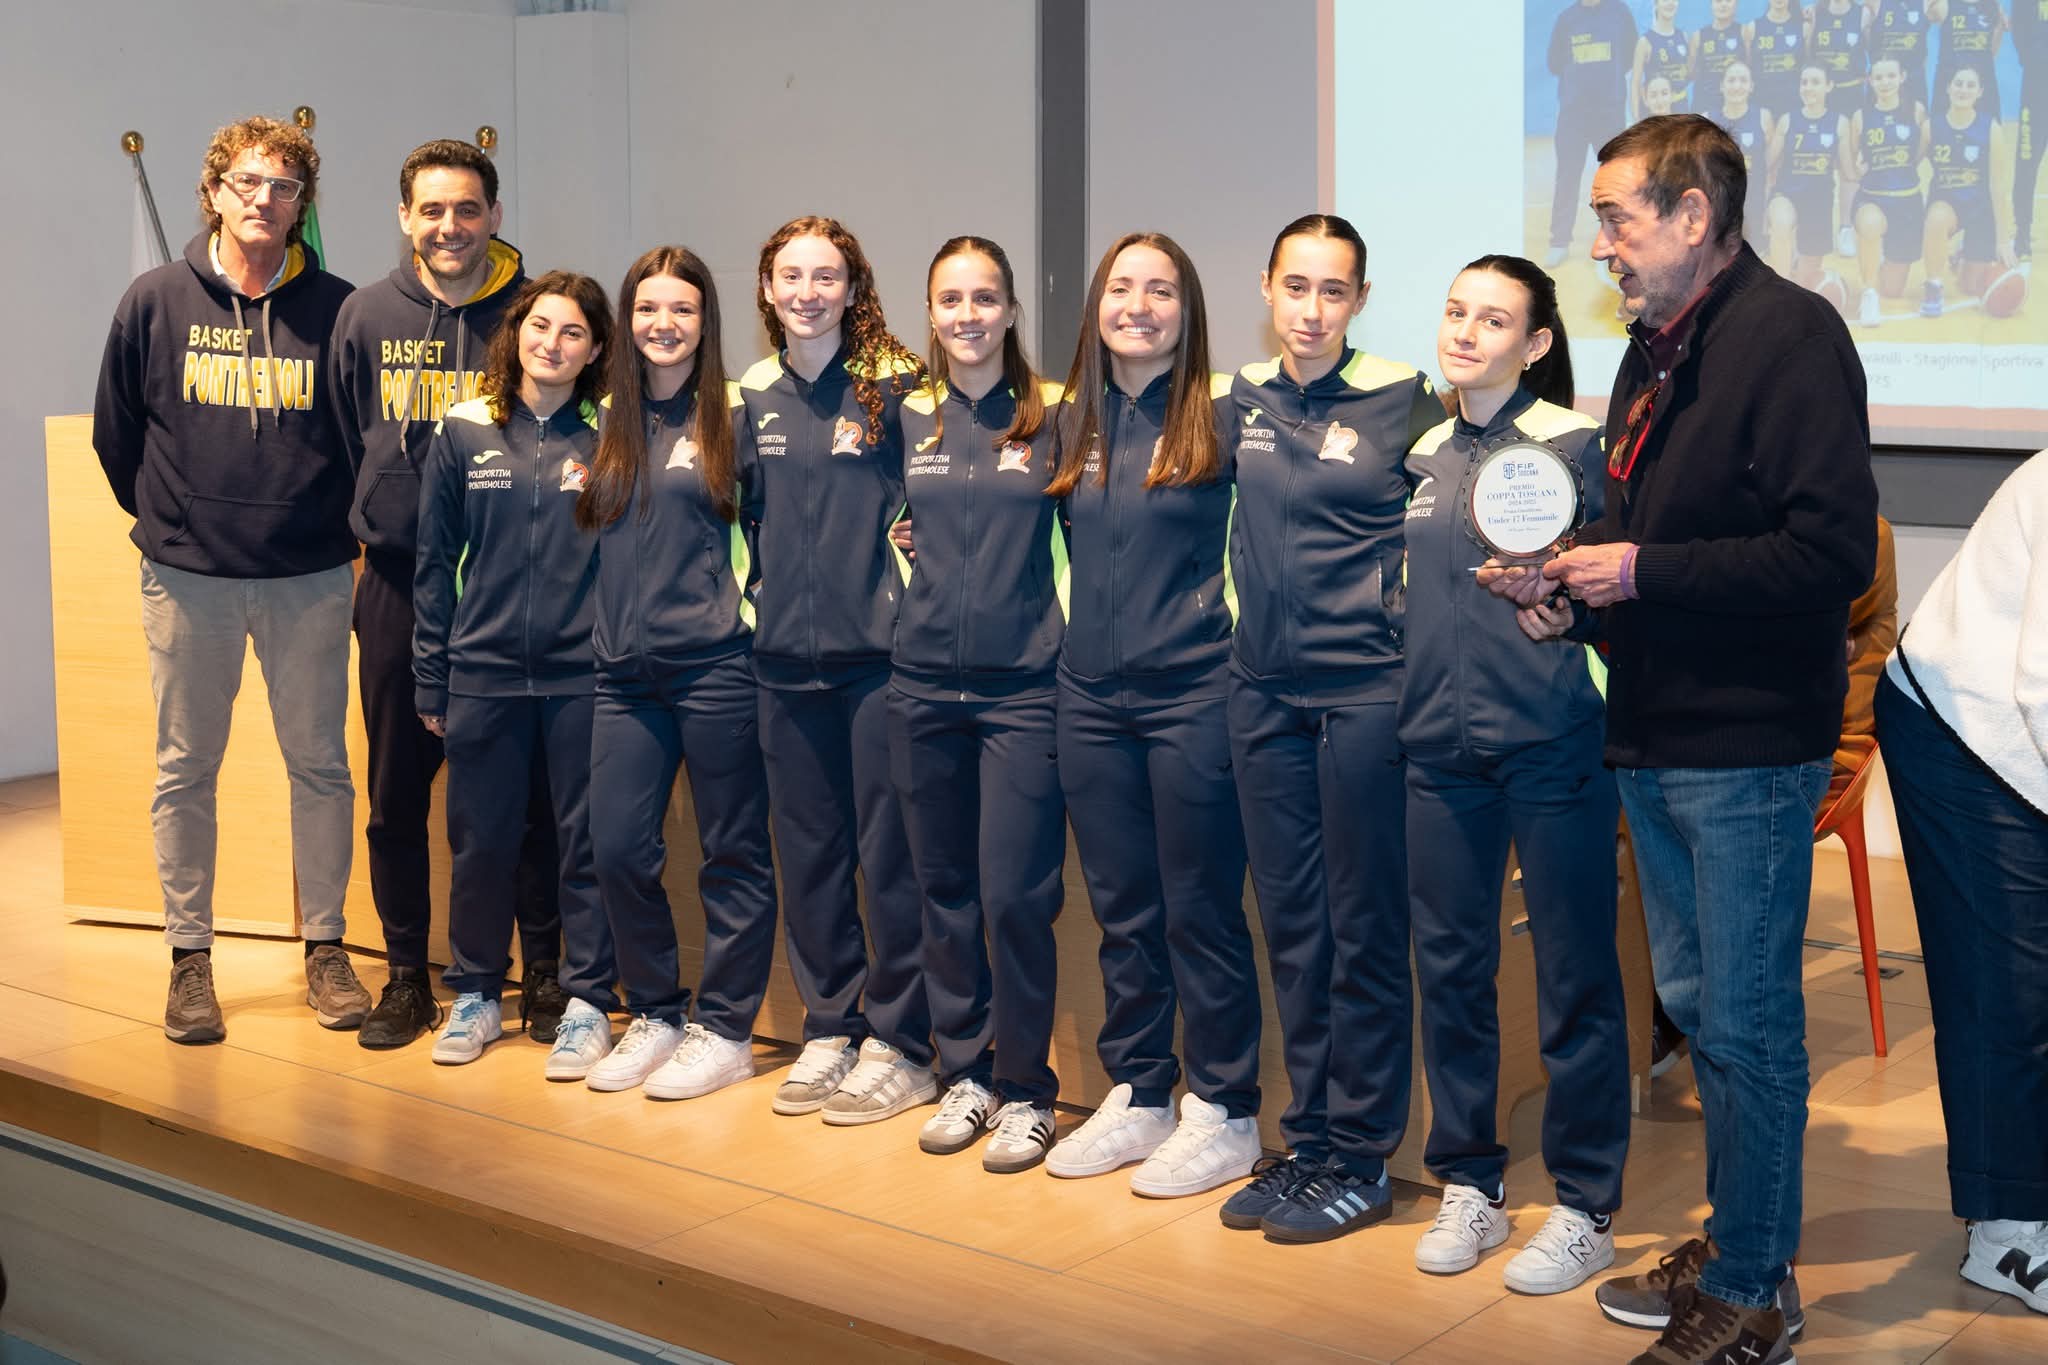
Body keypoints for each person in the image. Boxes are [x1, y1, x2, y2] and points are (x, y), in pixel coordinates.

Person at [1488, 114, 1877, 1363]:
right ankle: (1738, 1234)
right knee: (1705, 1007)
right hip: (1654, 730)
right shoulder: (1650, 351)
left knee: (1749, 1022)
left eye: (1615, 216)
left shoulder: (1790, 336)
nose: (1595, 241)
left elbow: (1823, 555)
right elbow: (1640, 548)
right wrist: (1562, 602)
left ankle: (1756, 1290)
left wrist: (1639, 572)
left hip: (1748, 743)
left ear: (1693, 218)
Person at [92, 114, 365, 1045]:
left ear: (302, 206)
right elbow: (115, 433)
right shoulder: (154, 300)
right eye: (247, 182)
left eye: (284, 188)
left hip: (311, 577)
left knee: (321, 768)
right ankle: (189, 958)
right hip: (190, 580)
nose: (265, 200)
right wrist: (170, 523)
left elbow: (364, 441)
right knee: (185, 771)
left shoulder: (341, 309)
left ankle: (326, 948)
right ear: (213, 191)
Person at [1405, 255, 1630, 1294]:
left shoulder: (1573, 449)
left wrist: (1561, 600)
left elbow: (1603, 592)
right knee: (1450, 971)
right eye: (1455, 312)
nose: (1465, 331)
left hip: (1550, 745)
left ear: (1535, 344)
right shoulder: (1420, 450)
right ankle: (1469, 1182)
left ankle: (1585, 1205)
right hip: (1436, 753)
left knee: (1573, 975)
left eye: (1492, 319)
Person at [1214, 215, 1438, 1241]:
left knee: (1361, 927)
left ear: (1357, 299)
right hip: (1260, 694)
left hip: (1363, 697)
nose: (1311, 310)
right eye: (1294, 288)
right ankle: (1305, 1141)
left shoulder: (1402, 399)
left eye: (1333, 291)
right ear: (1266, 288)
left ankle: (1363, 1154)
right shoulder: (1236, 399)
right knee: (1292, 925)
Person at [1039, 232, 1264, 1199]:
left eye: (1161, 289)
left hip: (1194, 695)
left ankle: (1226, 1108)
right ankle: (1141, 1090)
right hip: (1088, 698)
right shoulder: (1066, 422)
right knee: (1124, 907)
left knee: (1200, 907)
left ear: (1190, 308)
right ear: (1096, 304)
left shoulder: (1223, 415)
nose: (1139, 304)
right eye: (1122, 287)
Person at [329, 138, 566, 1052]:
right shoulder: (364, 315)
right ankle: (403, 977)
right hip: (397, 586)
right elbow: (351, 433)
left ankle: (539, 971)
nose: (450, 227)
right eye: (431, 210)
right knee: (397, 795)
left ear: (495, 215)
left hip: (516, 592)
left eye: (467, 209)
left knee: (529, 797)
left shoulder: (534, 313)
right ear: (404, 218)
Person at [737, 217, 933, 1124]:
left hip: (880, 666)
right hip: (780, 665)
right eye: (791, 275)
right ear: (768, 290)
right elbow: (736, 522)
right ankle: (830, 1024)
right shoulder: (747, 396)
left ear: (854, 289)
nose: (808, 290)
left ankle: (900, 1041)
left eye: (827, 276)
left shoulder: (899, 393)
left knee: (889, 860)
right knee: (809, 857)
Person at [574, 247, 780, 1101]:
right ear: (628, 320)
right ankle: (654, 1010)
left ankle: (727, 1026)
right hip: (622, 676)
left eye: (683, 310)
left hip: (718, 669)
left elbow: (779, 535)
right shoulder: (603, 417)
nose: (665, 324)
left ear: (706, 321)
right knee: (618, 847)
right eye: (648, 308)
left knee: (733, 852)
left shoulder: (735, 416)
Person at [888, 237, 1068, 1174]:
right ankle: (964, 1071)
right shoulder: (904, 413)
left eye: (985, 298)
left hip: (1023, 693)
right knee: (943, 890)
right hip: (918, 688)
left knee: (1014, 896)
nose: (968, 314)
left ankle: (1029, 1089)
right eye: (950, 298)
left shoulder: (1055, 417)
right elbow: (876, 517)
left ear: (1009, 312)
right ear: (931, 309)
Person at [413, 271, 621, 1079]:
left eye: (572, 333)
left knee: (586, 843)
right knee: (481, 841)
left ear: (596, 349)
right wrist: (433, 677)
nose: (553, 344)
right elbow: (434, 564)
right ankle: (473, 992)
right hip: (484, 673)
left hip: (583, 677)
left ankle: (587, 1000)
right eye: (540, 327)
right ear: (517, 333)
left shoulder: (611, 434)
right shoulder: (465, 428)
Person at [1874, 450, 2048, 1318]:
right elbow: (2042, 685)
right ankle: (2006, 1230)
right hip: (1966, 727)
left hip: (2023, 728)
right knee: (2006, 985)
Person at [1546, 0, 1640, 266]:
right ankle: (1559, 242)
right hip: (1573, 114)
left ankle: (1622, 237)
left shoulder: (1620, 13)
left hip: (1608, 113)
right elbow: (1554, 63)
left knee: (1615, 178)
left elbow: (1629, 56)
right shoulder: (1566, 19)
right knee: (1567, 177)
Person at [1920, 64, 2019, 315]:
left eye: (1970, 85)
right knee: (1936, 218)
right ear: (1948, 88)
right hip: (1947, 203)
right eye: (1959, 83)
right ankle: (1933, 285)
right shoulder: (1932, 126)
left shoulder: (1991, 128)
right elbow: (1908, 163)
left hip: (1981, 209)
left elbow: (1998, 187)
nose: (1963, 89)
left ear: (1980, 92)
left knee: (1971, 286)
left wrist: (2003, 239)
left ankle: (1962, 255)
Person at [1849, 56, 1932, 324]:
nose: (1885, 82)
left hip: (1908, 203)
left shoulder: (1917, 111)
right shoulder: (1861, 117)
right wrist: (1859, 169)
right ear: (1870, 81)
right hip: (1872, 198)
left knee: (1894, 290)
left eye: (1890, 76)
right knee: (1870, 224)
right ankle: (1869, 293)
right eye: (1879, 77)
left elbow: (1919, 153)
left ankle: (1878, 267)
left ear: (1902, 78)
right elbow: (1853, 162)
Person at [1767, 65, 1852, 294]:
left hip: (1819, 203)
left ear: (1829, 86)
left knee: (1805, 280)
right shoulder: (1787, 120)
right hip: (1787, 194)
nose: (1808, 87)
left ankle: (1796, 266)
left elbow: (1848, 171)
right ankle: (1779, 294)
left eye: (1815, 82)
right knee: (1781, 222)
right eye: (1804, 82)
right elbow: (1768, 163)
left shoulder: (1840, 122)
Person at [1708, 61, 1780, 243]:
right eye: (1731, 80)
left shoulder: (1764, 117)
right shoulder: (1708, 118)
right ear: (1722, 86)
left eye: (1743, 80)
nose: (1737, 86)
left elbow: (1772, 166)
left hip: (1754, 204)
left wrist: (1768, 207)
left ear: (1751, 86)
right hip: (1721, 205)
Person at [1933, 0, 2006, 123]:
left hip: (1982, 79)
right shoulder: (1944, 5)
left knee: (1989, 131)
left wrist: (2000, 28)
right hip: (1951, 79)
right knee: (1941, 131)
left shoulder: (1993, 6)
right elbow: (1926, 14)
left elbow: (1992, 52)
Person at [2011, 0, 2046, 259]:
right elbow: (2019, 31)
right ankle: (2022, 231)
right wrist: (2036, 57)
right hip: (2037, 86)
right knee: (2026, 161)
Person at [1749, 0, 1808, 144]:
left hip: (1793, 102)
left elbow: (1807, 64)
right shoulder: (1753, 27)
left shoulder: (1804, 27)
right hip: (1761, 101)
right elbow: (1748, 66)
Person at [1635, 0, 1694, 117]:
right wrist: (1637, 117)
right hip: (1656, 110)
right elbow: (1636, 84)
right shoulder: (1645, 42)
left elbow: (1689, 74)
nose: (1670, 3)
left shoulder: (1684, 37)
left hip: (1681, 109)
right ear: (1656, 4)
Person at [1692, 0, 1748, 104]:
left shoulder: (1744, 32)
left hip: (1734, 100)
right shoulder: (1698, 36)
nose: (1723, 4)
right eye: (1718, 1)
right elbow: (1692, 73)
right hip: (1705, 101)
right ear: (1711, 4)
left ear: (1736, 4)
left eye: (1728, 1)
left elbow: (1749, 65)